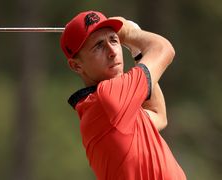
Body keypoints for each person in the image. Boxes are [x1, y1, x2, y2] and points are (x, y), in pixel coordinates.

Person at [60, 10, 186, 180]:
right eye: (98, 46)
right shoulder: (109, 97)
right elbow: (164, 49)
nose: (112, 51)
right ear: (76, 66)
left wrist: (137, 51)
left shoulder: (107, 106)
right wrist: (132, 34)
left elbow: (158, 114)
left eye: (114, 40)